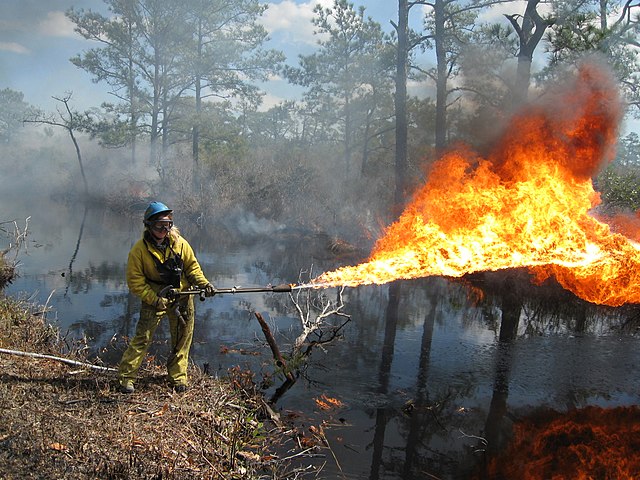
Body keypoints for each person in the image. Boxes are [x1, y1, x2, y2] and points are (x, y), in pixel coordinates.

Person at [118, 201, 215, 394]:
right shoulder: (139, 251)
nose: (164, 230)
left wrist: (204, 283)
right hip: (154, 297)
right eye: (159, 225)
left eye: (167, 225)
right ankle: (127, 378)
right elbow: (135, 282)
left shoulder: (181, 243)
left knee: (182, 337)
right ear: (148, 225)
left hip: (182, 295)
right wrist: (154, 299)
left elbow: (192, 268)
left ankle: (178, 377)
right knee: (142, 338)